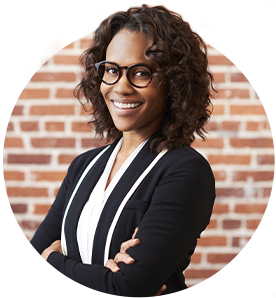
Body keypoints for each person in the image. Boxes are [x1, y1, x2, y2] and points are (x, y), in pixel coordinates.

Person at [19, 4, 216, 298]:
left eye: (140, 72)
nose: (121, 87)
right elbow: (28, 273)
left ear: (174, 83)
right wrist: (105, 281)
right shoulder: (84, 167)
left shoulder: (184, 171)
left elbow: (125, 288)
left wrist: (52, 263)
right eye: (111, 70)